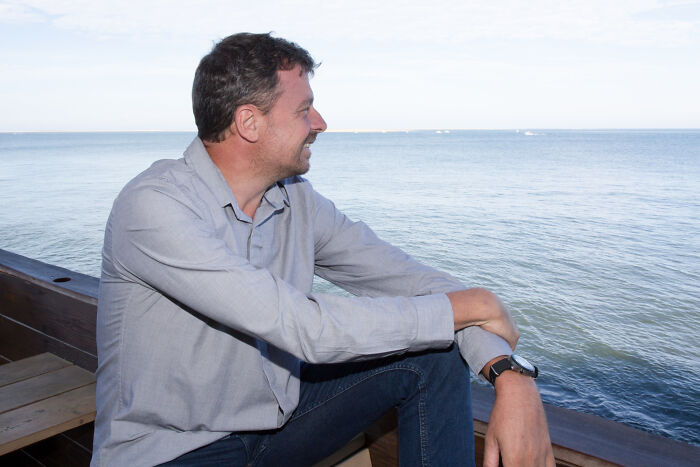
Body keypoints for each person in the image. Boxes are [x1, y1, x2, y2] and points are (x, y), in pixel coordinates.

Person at [92, 32, 554, 466]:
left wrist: (508, 372)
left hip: (276, 428)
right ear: (249, 122)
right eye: (304, 110)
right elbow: (303, 327)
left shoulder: (296, 200)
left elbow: (411, 281)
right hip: (173, 451)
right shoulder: (153, 206)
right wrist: (475, 303)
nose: (320, 123)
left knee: (433, 357)